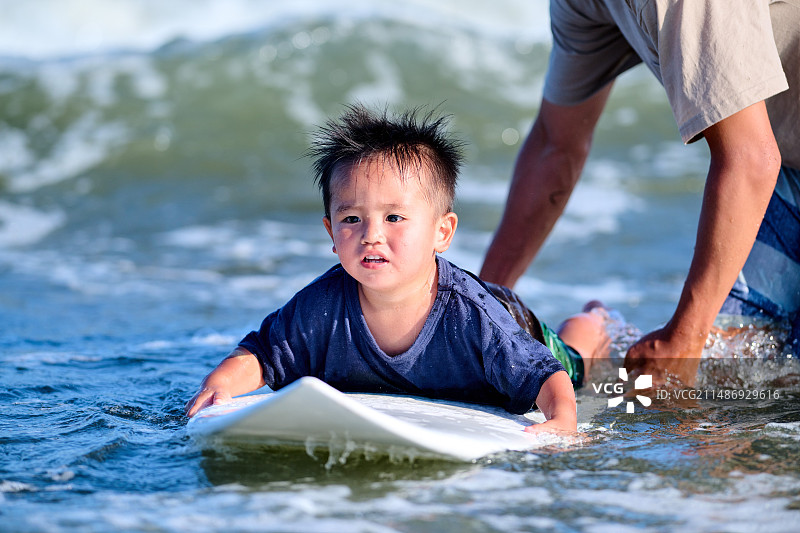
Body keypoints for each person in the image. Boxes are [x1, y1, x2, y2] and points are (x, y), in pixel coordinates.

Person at [185, 104, 611, 433]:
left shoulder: (475, 318)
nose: (371, 235)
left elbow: (546, 374)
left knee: (575, 364)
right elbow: (261, 354)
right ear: (331, 232)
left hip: (514, 320)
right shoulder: (320, 307)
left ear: (442, 232)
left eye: (393, 217)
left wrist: (562, 421)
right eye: (352, 219)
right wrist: (220, 385)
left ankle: (592, 322)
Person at [480, 0, 800, 387]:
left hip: (764, 165)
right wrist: (480, 310)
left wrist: (684, 339)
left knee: (732, 383)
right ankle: (596, 334)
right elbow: (555, 146)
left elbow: (750, 159)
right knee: (730, 380)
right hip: (786, 169)